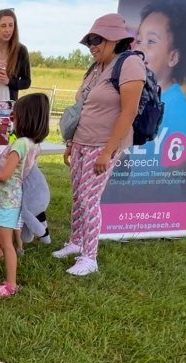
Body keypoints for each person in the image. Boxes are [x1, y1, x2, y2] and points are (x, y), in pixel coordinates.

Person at [54, 13, 145, 276]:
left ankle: (89, 257)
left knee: (88, 199)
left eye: (96, 39)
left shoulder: (129, 65)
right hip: (82, 141)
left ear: (113, 39)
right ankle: (75, 242)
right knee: (77, 196)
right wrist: (71, 142)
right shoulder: (96, 69)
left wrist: (107, 151)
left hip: (102, 145)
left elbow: (128, 113)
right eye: (89, 41)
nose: (91, 45)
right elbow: (82, 106)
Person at [0, 93, 50, 298]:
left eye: (17, 114)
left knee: (6, 243)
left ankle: (11, 284)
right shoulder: (30, 143)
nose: (13, 117)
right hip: (5, 199)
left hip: (7, 201)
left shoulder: (21, 144)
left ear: (26, 117)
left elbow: (4, 175)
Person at [135, 0, 186, 140]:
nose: (139, 49)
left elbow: (179, 154)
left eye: (151, 41)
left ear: (173, 57)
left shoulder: (177, 104)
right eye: (139, 40)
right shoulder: (137, 94)